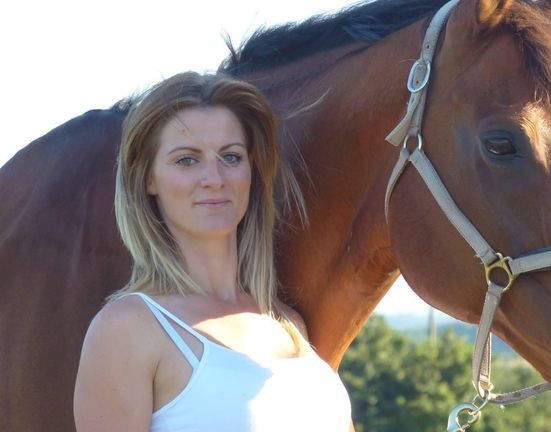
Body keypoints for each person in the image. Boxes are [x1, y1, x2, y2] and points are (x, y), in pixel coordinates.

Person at [73, 71, 352, 431]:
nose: (215, 177)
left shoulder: (288, 325)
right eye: (187, 160)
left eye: (231, 157)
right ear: (147, 178)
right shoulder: (127, 330)